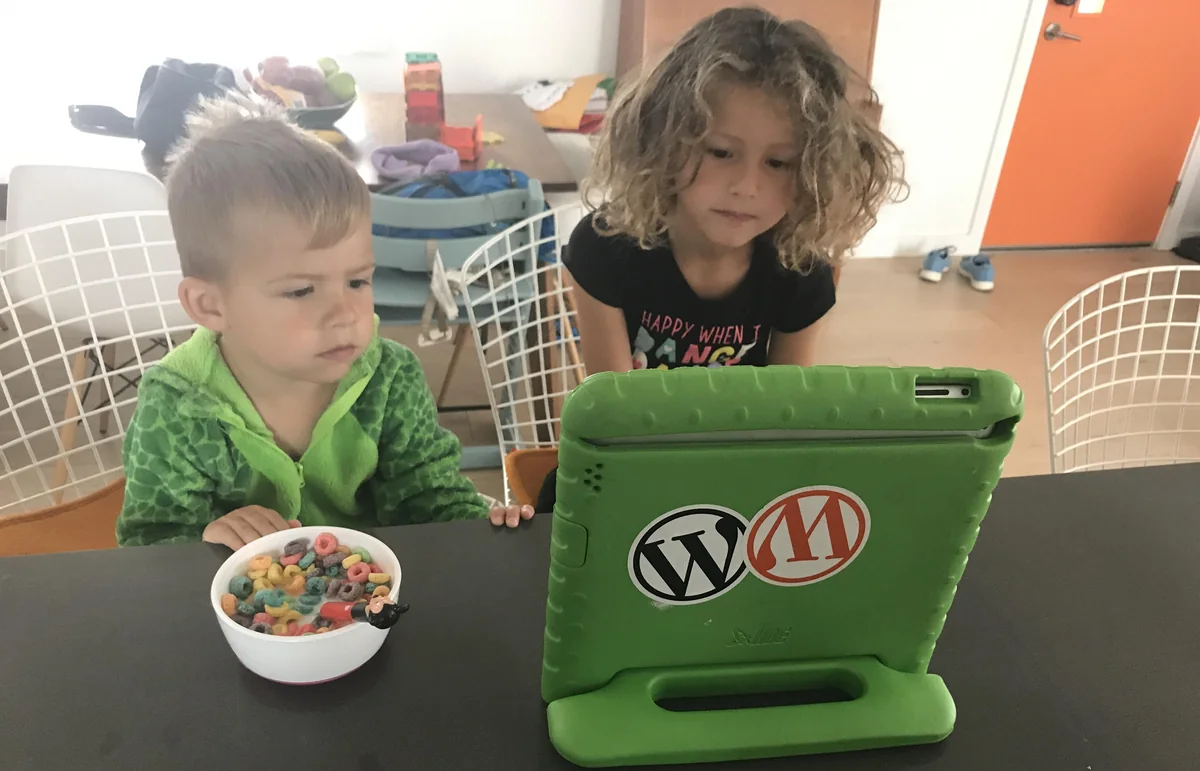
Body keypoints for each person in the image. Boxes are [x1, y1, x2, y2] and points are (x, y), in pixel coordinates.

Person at [116, 95, 533, 549]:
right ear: (210, 306)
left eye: (357, 281)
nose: (346, 314)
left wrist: (481, 529)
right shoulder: (175, 407)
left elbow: (428, 498)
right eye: (301, 290)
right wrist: (202, 542)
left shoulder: (389, 378)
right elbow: (149, 543)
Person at [536, 7, 906, 511]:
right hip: (619, 483)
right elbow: (616, 423)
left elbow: (782, 421)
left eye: (779, 162)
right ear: (663, 139)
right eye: (720, 151)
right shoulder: (604, 249)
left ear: (813, 170)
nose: (747, 187)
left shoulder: (802, 274)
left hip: (732, 491)